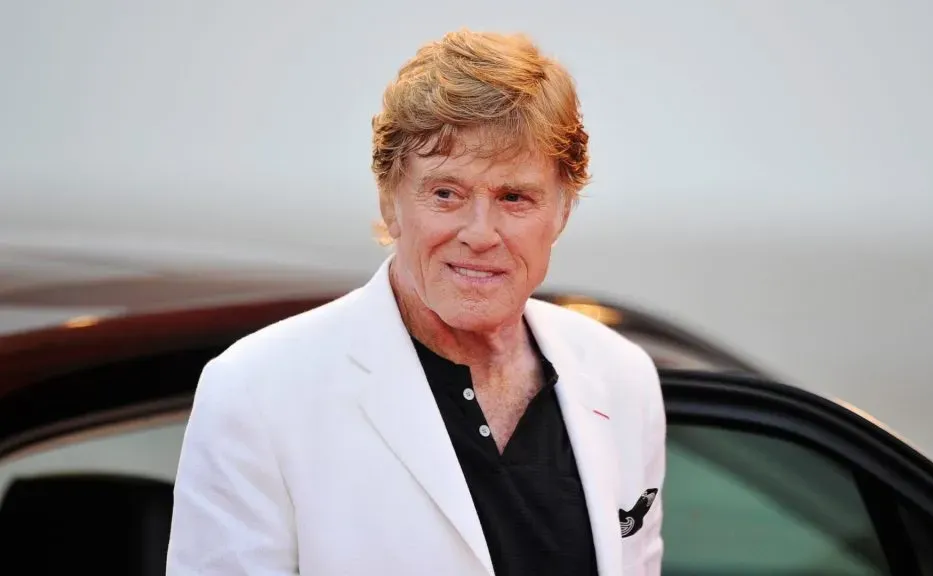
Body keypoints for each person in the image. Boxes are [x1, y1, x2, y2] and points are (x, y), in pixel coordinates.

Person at [166, 29, 665, 576]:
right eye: (446, 193)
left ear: (562, 212)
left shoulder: (623, 378)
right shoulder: (255, 393)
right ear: (390, 200)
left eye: (514, 197)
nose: (480, 233)